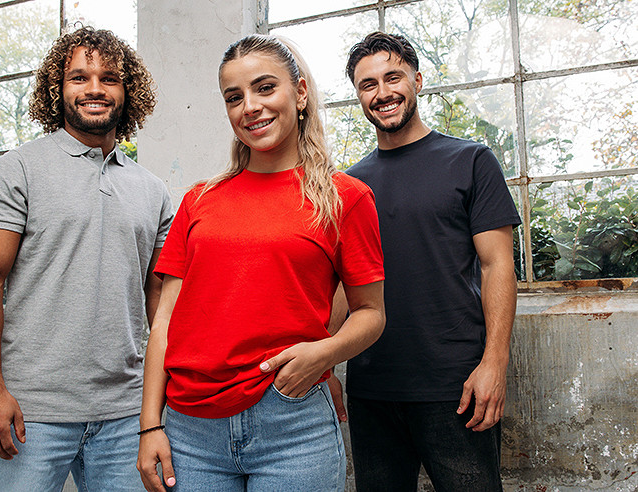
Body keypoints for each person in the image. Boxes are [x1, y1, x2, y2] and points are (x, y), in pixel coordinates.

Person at [135, 34, 386, 492]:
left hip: (292, 421)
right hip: (191, 429)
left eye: (265, 88)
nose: (250, 107)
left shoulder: (344, 198)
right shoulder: (199, 200)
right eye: (234, 97)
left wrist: (324, 353)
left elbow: (370, 313)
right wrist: (150, 424)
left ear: (300, 93)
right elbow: (165, 320)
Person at [0, 27, 173, 491]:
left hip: (126, 414)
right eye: (79, 77)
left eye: (109, 78)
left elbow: (160, 301)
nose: (95, 89)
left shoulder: (153, 190)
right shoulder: (19, 168)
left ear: (128, 90)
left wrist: (161, 403)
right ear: (57, 90)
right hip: (31, 411)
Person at [338, 31, 521, 491]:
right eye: (368, 84)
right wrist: (323, 366)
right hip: (372, 389)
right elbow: (340, 286)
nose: (382, 93)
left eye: (393, 77)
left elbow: (497, 266)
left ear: (417, 81)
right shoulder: (349, 186)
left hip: (456, 387)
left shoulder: (471, 160)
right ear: (358, 95)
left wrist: (494, 363)